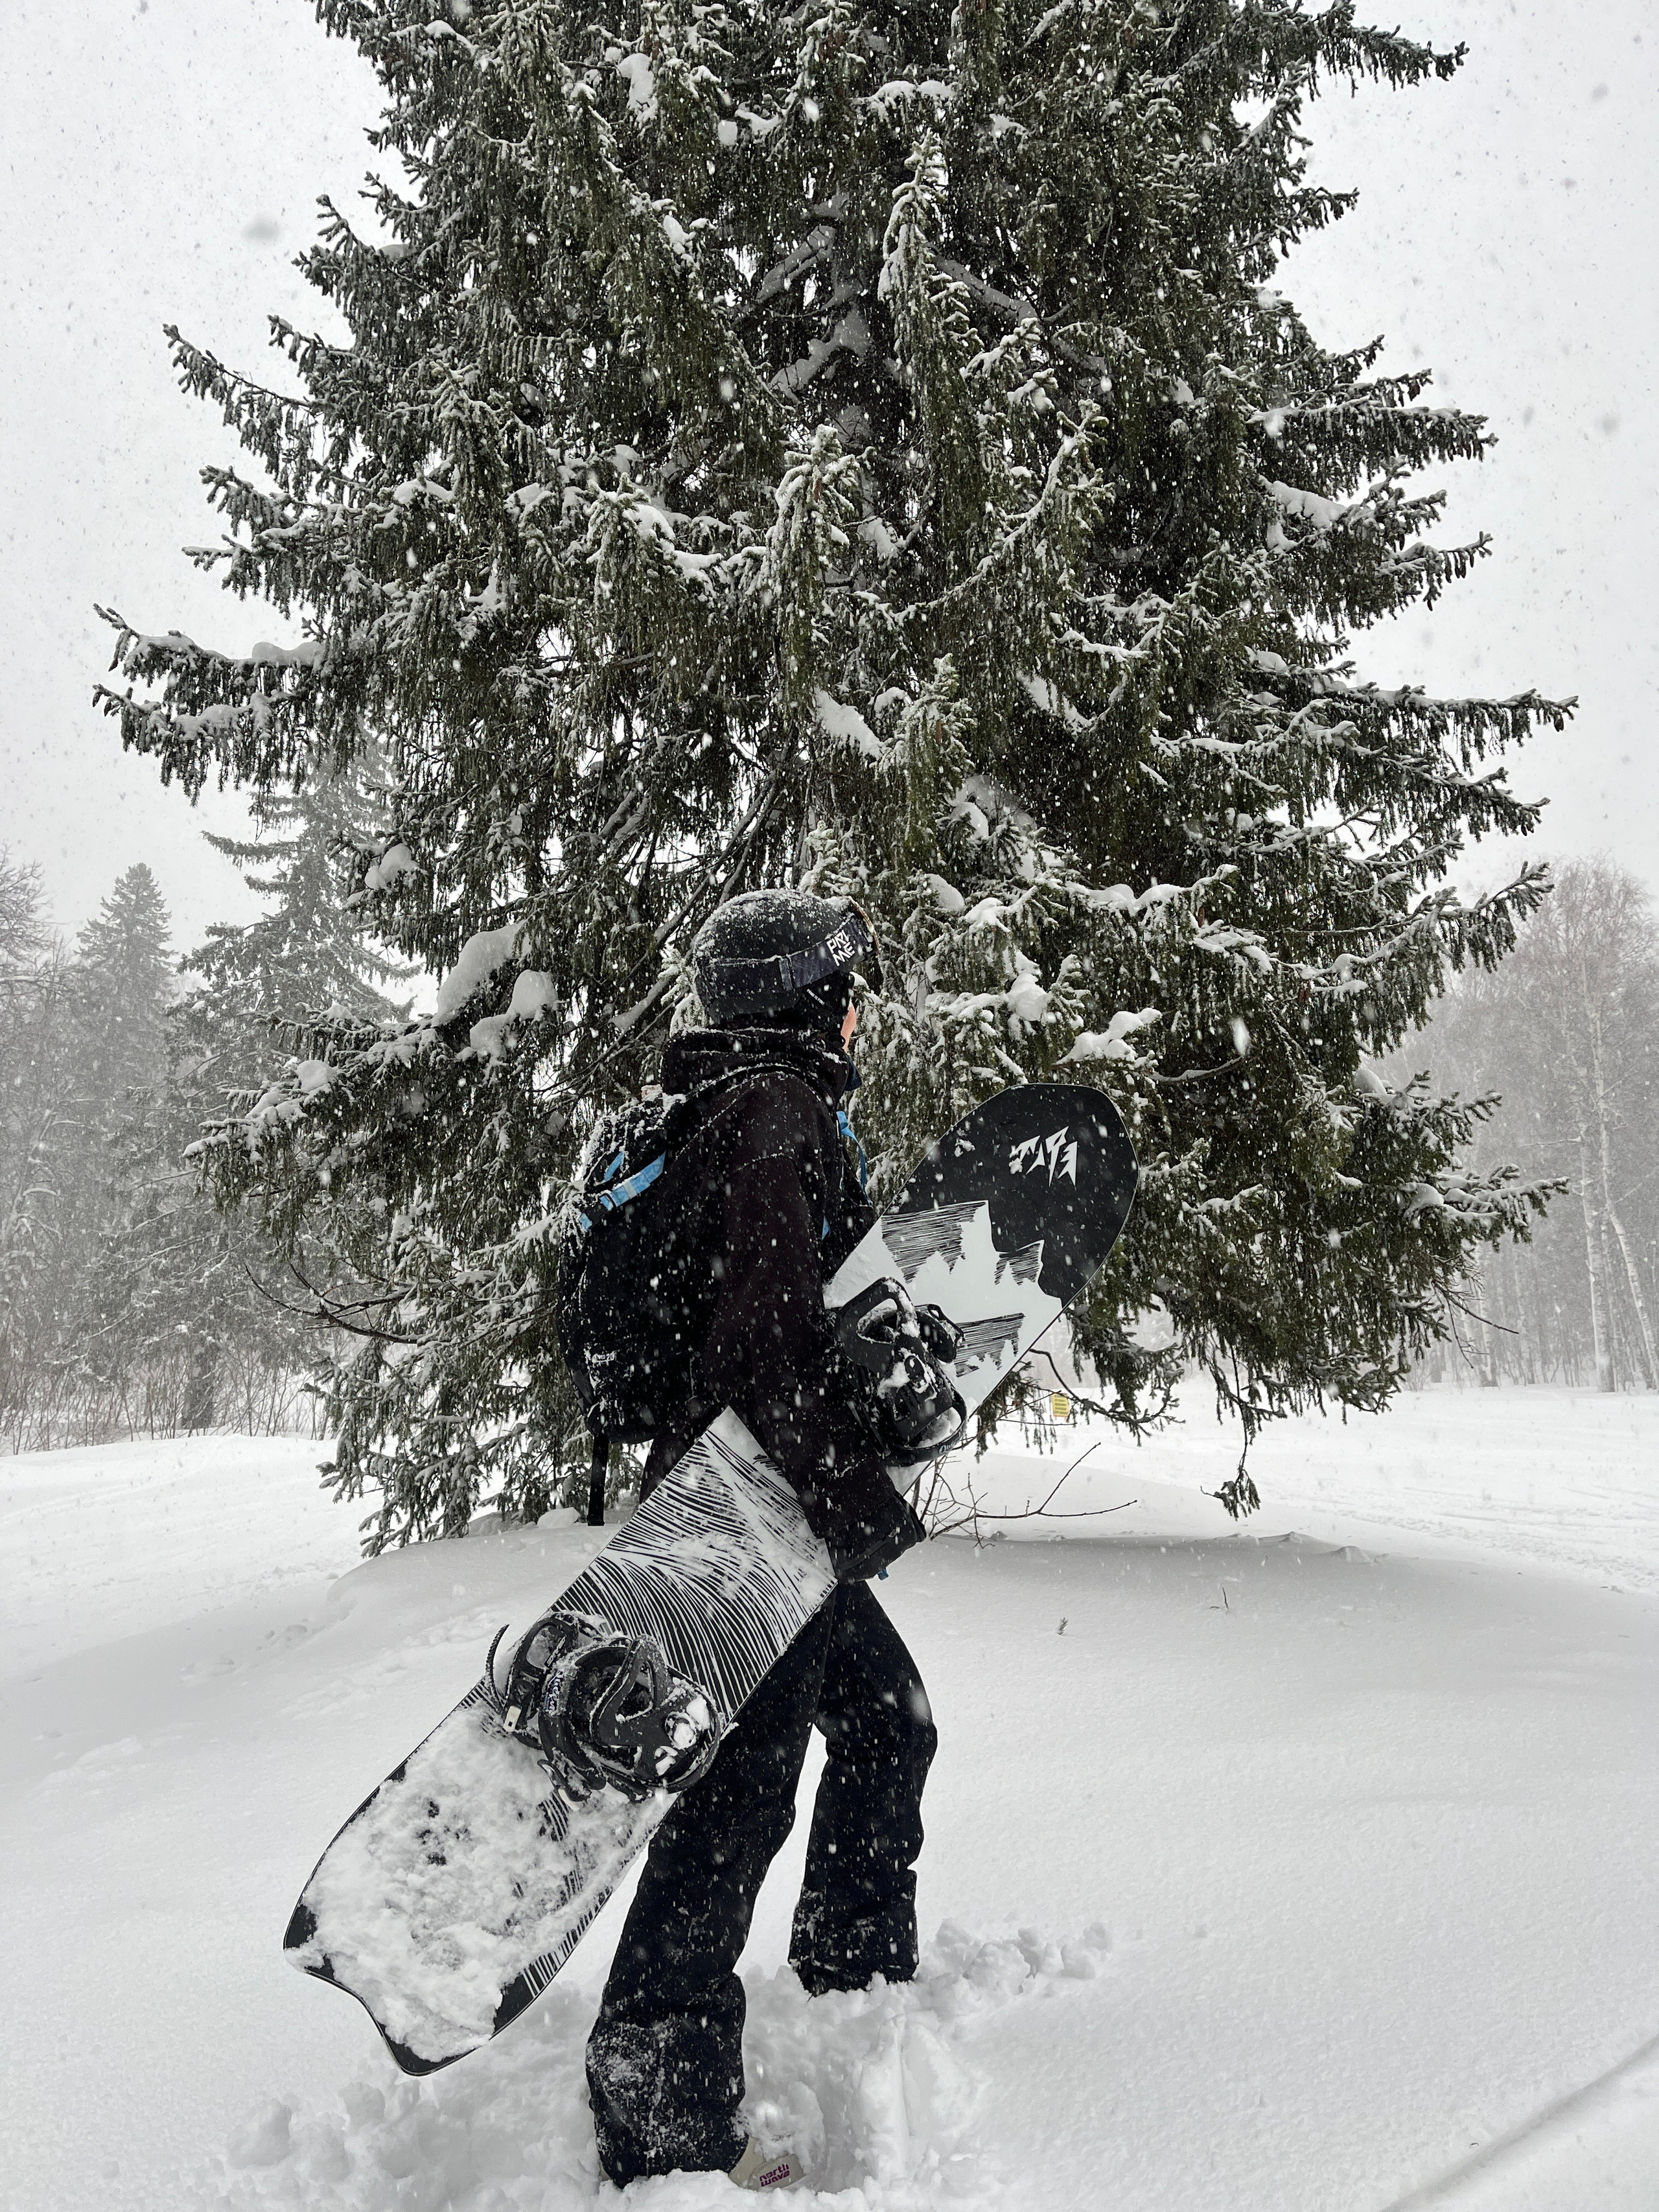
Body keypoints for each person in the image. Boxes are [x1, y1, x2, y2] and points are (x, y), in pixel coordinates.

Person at [578, 888, 945, 2190]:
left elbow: (756, 1330)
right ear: (798, 991)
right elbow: (757, 1351)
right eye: (842, 985)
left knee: (887, 1719)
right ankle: (660, 2094)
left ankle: (848, 1983)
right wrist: (867, 1435)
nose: (855, 1010)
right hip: (750, 1518)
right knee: (734, 1799)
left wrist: (886, 1381)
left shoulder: (721, 1115)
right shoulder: (773, 1122)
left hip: (735, 1499)